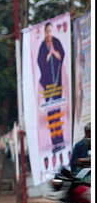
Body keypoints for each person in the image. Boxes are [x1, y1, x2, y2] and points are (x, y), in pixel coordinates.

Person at [37, 22, 66, 153]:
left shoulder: (56, 42)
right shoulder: (43, 46)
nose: (48, 34)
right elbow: (40, 62)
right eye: (47, 32)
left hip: (58, 84)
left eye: (50, 31)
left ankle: (61, 141)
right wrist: (48, 56)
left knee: (57, 113)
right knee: (51, 114)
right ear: (44, 32)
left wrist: (55, 53)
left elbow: (62, 56)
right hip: (48, 86)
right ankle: (55, 144)